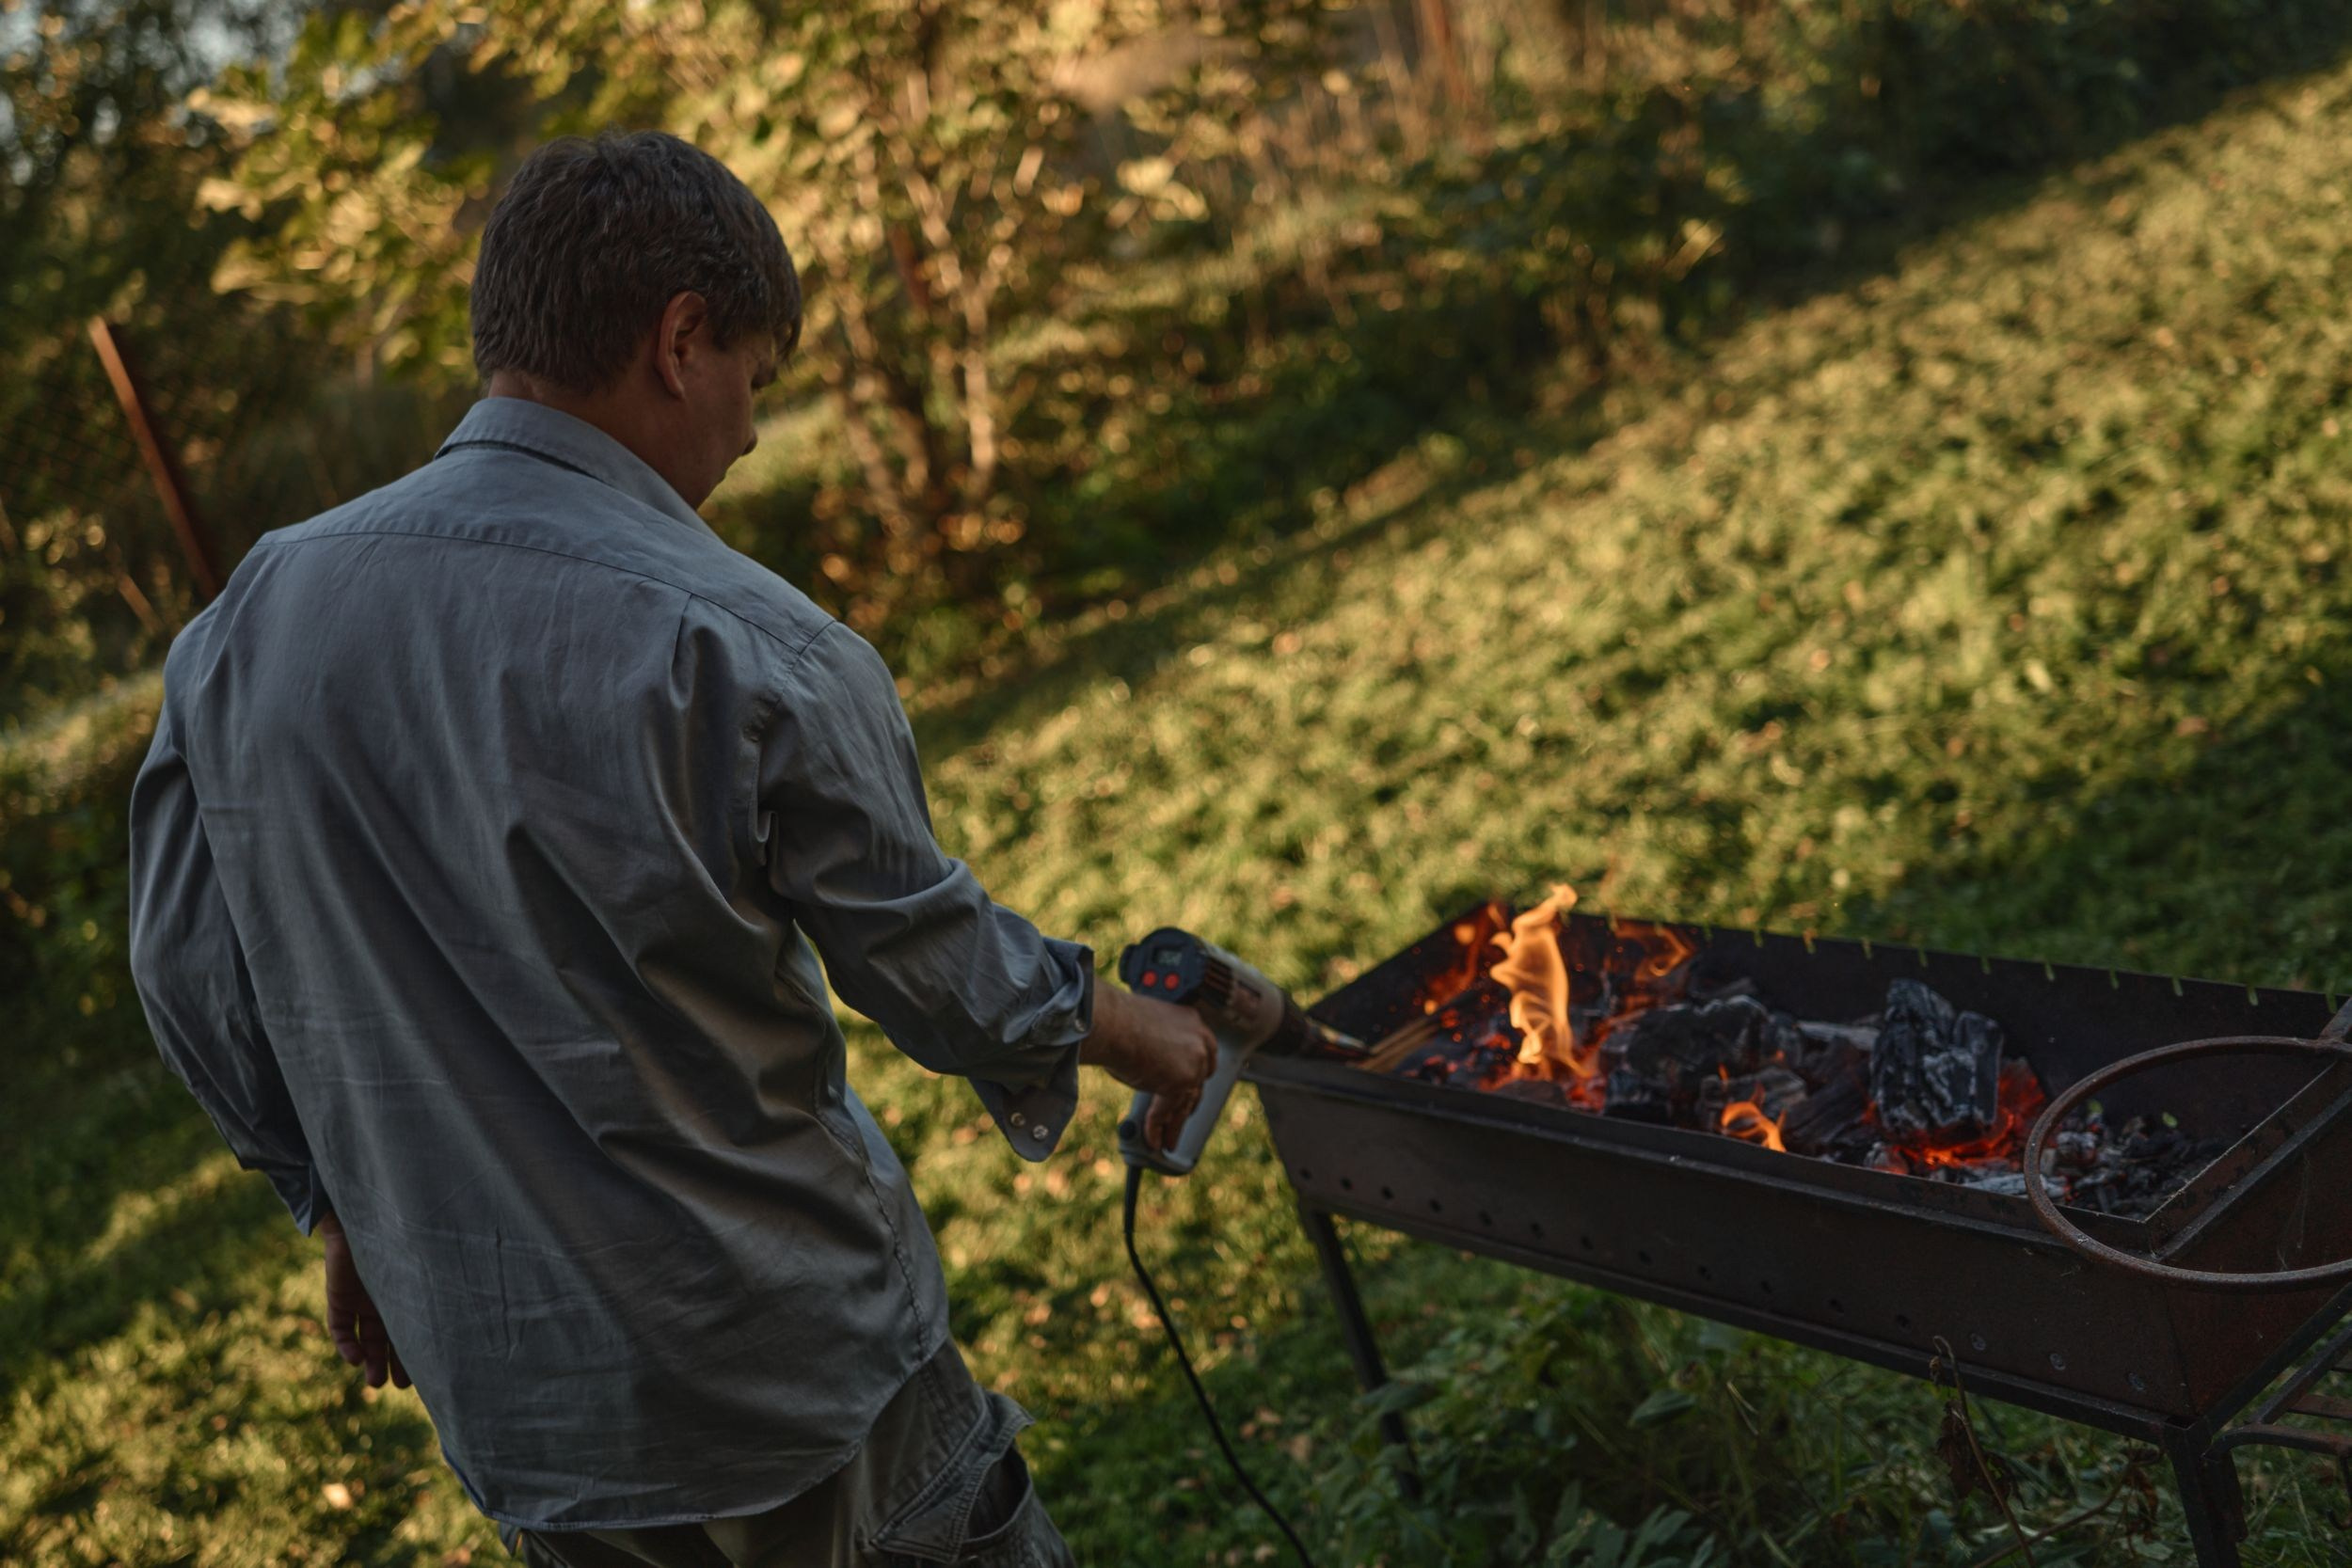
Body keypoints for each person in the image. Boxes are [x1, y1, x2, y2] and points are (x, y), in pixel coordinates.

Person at [125, 130, 1217, 1568]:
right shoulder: (743, 638)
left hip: (522, 1406)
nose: (753, 433)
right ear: (682, 340)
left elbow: (187, 975)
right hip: (786, 1374)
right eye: (755, 382)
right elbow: (942, 972)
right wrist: (1159, 1039)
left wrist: (333, 1205)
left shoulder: (248, 623)